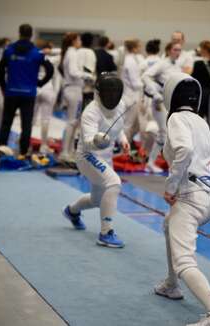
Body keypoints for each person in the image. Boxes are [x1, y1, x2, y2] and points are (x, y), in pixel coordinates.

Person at [156, 72, 210, 326]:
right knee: (169, 224)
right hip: (208, 199)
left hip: (189, 198)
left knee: (185, 261)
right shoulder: (200, 121)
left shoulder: (177, 118)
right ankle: (171, 285)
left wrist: (170, 186)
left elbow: (185, 150)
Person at [62, 73, 130, 248]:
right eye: (109, 91)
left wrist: (123, 140)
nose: (112, 96)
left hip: (106, 158)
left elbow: (118, 126)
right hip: (87, 156)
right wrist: (99, 142)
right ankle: (106, 233)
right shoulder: (91, 112)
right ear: (99, 92)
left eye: (115, 91)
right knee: (114, 183)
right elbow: (89, 142)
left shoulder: (121, 105)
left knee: (97, 200)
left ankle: (72, 211)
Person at [0, 24, 53, 159]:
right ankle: (23, 152)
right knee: (26, 124)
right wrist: (40, 83)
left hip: (11, 92)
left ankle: (1, 150)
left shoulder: (8, 50)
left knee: (6, 122)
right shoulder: (37, 53)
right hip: (28, 93)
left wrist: (4, 88)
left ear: (19, 33)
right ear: (31, 34)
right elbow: (50, 69)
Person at [142, 42, 183, 173]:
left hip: (171, 102)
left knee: (168, 133)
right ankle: (153, 163)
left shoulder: (177, 65)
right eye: (175, 49)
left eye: (179, 50)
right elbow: (145, 76)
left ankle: (153, 163)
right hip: (159, 102)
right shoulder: (162, 63)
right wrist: (154, 93)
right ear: (169, 50)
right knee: (164, 133)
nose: (178, 52)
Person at [58, 32, 89, 162]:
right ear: (74, 41)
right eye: (79, 39)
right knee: (72, 122)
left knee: (74, 122)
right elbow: (73, 71)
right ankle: (65, 152)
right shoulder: (72, 53)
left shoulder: (69, 53)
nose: (80, 41)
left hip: (73, 89)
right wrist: (87, 76)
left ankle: (69, 151)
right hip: (73, 90)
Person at [121, 38, 144, 143]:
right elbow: (135, 83)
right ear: (134, 48)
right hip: (131, 96)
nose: (140, 48)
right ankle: (124, 148)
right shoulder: (130, 61)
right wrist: (146, 84)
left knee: (135, 125)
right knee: (128, 125)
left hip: (132, 95)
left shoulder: (132, 59)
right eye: (139, 46)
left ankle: (127, 144)